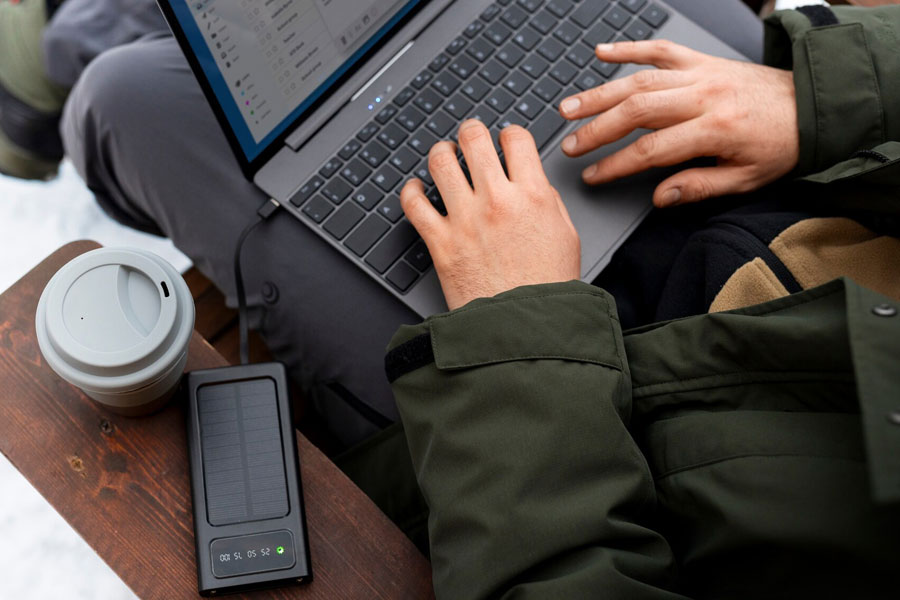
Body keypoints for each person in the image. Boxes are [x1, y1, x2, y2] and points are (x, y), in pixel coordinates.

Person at [4, 1, 900, 596]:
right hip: (822, 185)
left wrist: (517, 323)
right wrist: (821, 100)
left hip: (590, 401)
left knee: (126, 96)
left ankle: (51, 62)